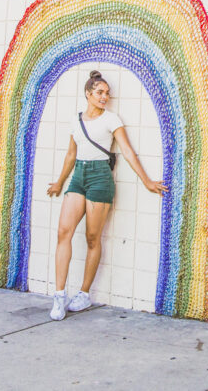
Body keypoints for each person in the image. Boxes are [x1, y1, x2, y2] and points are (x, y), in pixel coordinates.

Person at [45, 70, 167, 320]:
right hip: (78, 175)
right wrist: (59, 182)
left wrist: (147, 181)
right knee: (63, 233)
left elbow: (128, 151)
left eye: (107, 94)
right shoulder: (76, 120)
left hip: (101, 176)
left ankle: (84, 294)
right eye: (100, 92)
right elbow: (71, 154)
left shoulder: (112, 119)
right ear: (88, 93)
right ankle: (59, 296)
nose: (104, 97)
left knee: (92, 237)